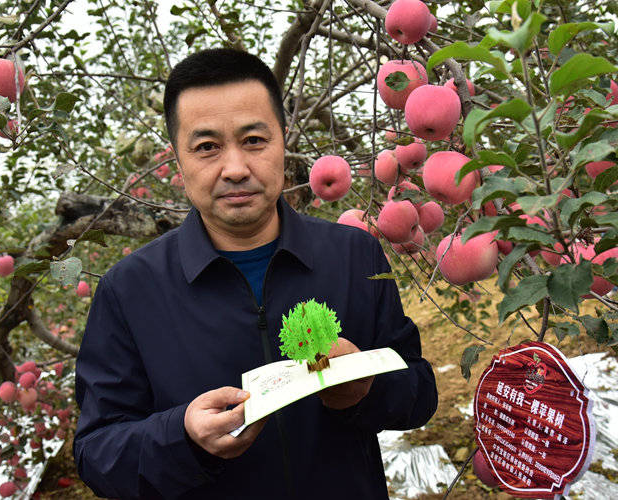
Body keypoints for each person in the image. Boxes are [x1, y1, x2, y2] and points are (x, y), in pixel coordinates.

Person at [72, 48, 438, 500]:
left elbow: (419, 391)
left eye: (254, 140)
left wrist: (367, 390)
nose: (235, 169)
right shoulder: (129, 290)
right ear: (179, 161)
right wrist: (183, 436)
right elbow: (96, 453)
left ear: (283, 142)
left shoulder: (352, 255)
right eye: (207, 147)